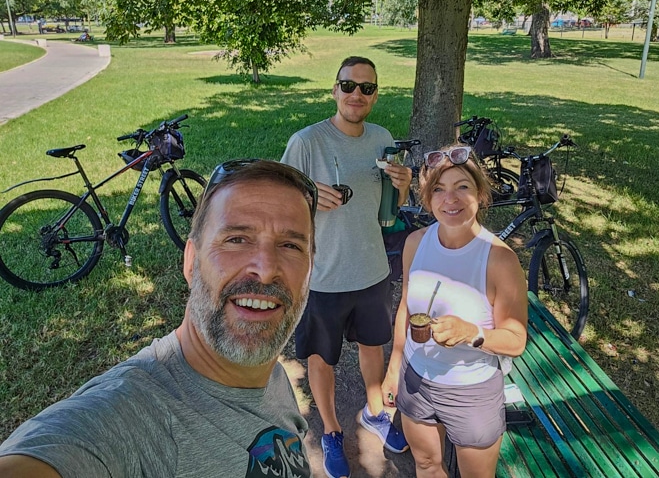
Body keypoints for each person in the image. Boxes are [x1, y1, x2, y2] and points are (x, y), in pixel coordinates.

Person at [0, 159, 318, 478]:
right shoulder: (130, 416)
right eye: (236, 239)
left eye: (290, 245)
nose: (265, 269)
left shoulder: (271, 376)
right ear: (191, 262)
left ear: (310, 270)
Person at [281, 56, 413, 478]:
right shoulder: (306, 142)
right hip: (323, 276)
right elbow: (280, 205)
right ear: (334, 90)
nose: (357, 94)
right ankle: (332, 432)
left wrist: (404, 188)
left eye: (367, 88)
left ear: (375, 95)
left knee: (372, 347)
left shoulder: (382, 138)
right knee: (322, 356)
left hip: (373, 268)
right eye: (349, 85)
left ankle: (377, 413)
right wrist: (307, 197)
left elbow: (393, 210)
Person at [382, 145, 528, 478]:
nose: (450, 199)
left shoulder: (499, 259)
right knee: (427, 465)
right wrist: (394, 368)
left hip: (471, 390)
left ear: (480, 192)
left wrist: (471, 333)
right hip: (416, 377)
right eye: (439, 189)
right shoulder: (416, 242)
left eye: (462, 187)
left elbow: (516, 340)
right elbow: (406, 306)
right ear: (427, 197)